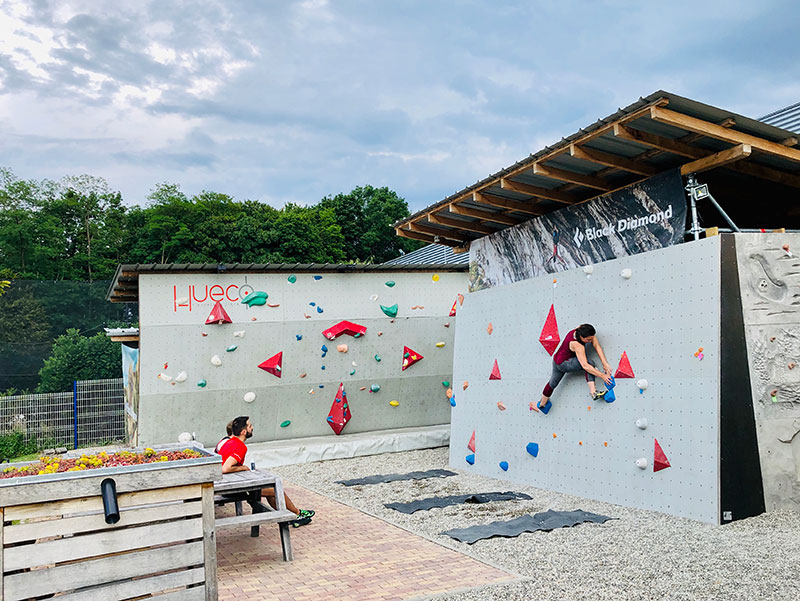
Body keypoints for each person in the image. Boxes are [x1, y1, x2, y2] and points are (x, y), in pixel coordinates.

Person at [219, 416, 314, 527]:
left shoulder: (229, 442)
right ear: (244, 432)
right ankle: (296, 515)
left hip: (225, 485)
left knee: (271, 492)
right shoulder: (240, 447)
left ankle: (293, 515)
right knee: (277, 490)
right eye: (250, 426)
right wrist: (243, 468)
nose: (252, 427)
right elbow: (225, 468)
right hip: (231, 489)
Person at [537, 323, 613, 411]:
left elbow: (596, 345)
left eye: (591, 338)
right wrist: (603, 376)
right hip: (565, 364)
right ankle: (593, 392)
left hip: (556, 360)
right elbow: (585, 366)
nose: (590, 341)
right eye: (588, 340)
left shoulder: (580, 329)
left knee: (552, 383)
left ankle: (542, 404)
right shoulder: (577, 345)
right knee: (590, 363)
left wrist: (605, 363)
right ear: (581, 337)